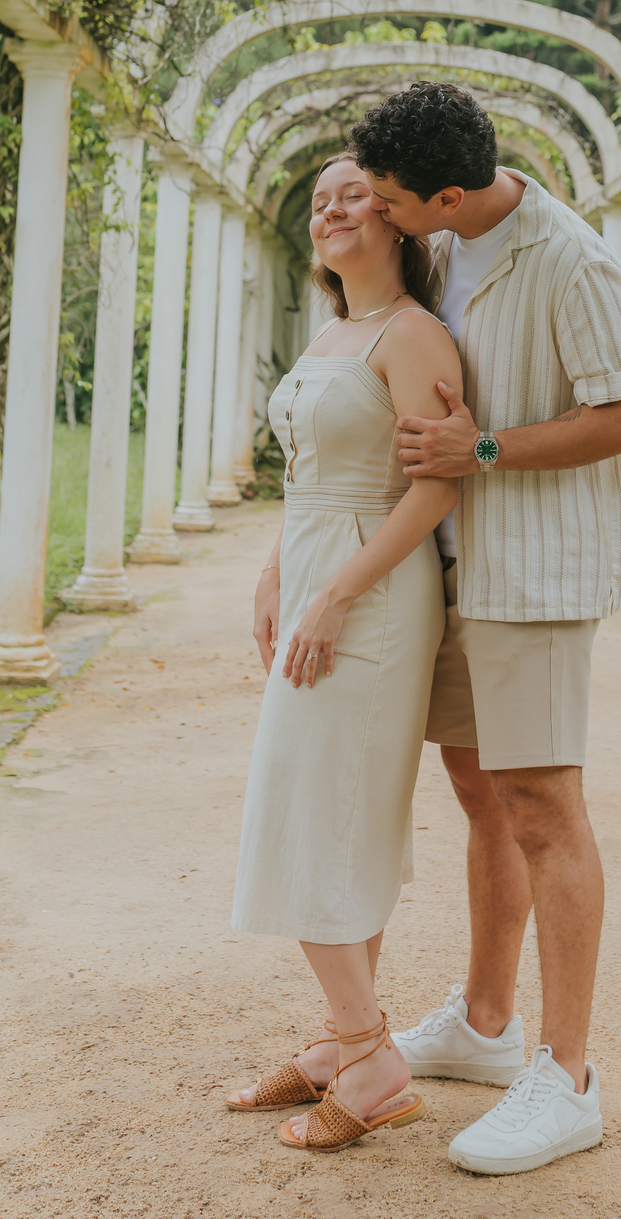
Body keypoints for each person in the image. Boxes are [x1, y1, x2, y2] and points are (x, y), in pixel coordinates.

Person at [350, 83, 621, 1177]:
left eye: (390, 198)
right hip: (457, 567)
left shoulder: (570, 258)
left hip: (534, 575)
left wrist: (481, 454)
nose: (379, 213)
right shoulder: (445, 242)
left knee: (543, 805)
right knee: (480, 790)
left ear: (445, 191)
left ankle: (565, 1077)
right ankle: (484, 1025)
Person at [229, 151, 462, 1155]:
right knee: (333, 808)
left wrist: (335, 592)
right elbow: (313, 474)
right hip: (318, 568)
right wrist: (281, 568)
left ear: (399, 218)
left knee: (307, 808)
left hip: (372, 594)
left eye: (354, 195)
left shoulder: (415, 336)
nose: (331, 210)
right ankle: (336, 1043)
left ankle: (372, 1058)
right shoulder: (335, 331)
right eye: (320, 200)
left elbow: (437, 487)